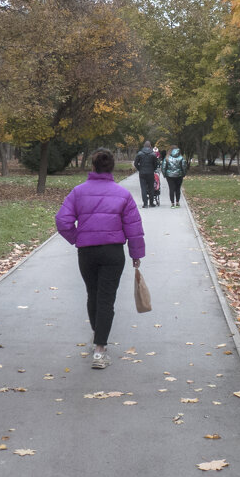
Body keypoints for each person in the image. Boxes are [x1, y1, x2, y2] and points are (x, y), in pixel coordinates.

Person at [56, 148, 145, 369]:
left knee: (93, 294)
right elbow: (133, 228)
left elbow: (62, 220)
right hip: (113, 253)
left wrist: (78, 238)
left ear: (93, 167)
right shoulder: (123, 194)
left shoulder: (78, 192)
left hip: (87, 253)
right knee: (106, 299)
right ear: (111, 168)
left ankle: (98, 335)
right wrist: (136, 254)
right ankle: (100, 349)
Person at [133, 140, 160, 208]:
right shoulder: (153, 154)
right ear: (150, 146)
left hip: (142, 173)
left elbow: (135, 163)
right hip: (150, 173)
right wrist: (153, 169)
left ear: (144, 146)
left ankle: (145, 204)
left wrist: (140, 169)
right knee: (151, 188)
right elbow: (156, 164)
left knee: (143, 188)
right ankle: (151, 203)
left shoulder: (140, 154)